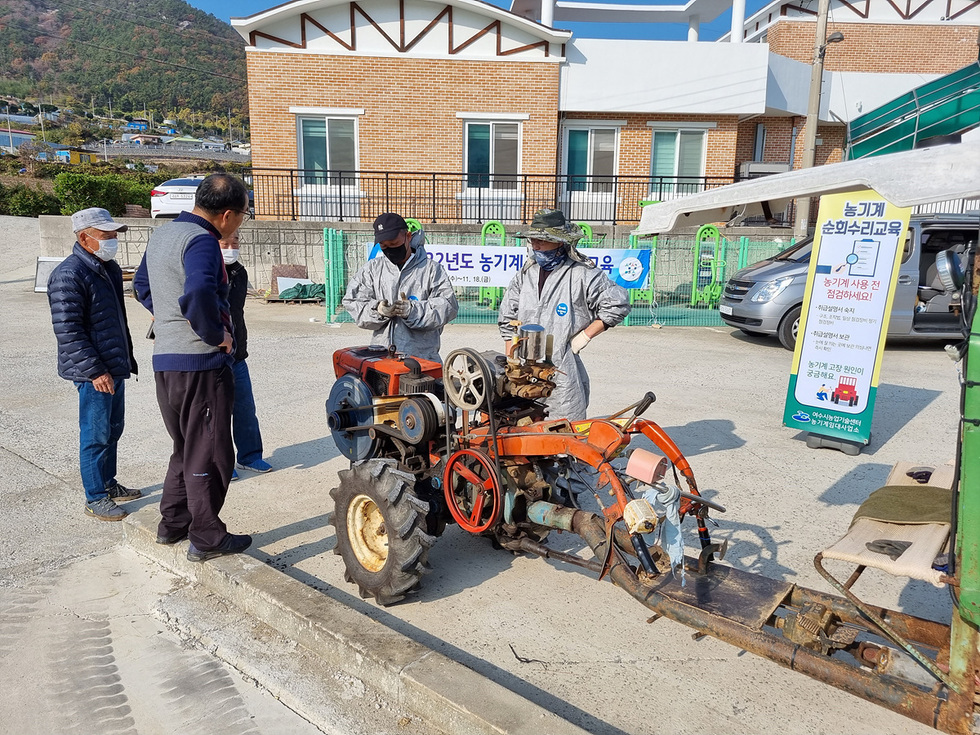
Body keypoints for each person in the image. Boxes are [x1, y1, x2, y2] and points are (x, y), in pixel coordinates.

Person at [132, 173, 252, 562]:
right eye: (243, 217)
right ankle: (207, 537)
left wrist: (168, 319)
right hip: (200, 364)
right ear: (228, 215)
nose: (239, 225)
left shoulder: (164, 234)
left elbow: (142, 286)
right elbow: (200, 290)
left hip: (166, 360)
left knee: (185, 446)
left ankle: (173, 524)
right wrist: (214, 332)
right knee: (211, 452)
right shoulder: (201, 240)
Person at [48, 207, 141, 521]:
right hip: (94, 372)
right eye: (107, 235)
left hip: (113, 366)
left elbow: (114, 320)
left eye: (114, 234)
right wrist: (95, 370)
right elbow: (68, 330)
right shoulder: (69, 274)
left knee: (114, 429)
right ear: (85, 238)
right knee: (95, 433)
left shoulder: (109, 268)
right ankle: (95, 497)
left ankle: (107, 482)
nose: (113, 240)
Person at [498, 208, 630, 421]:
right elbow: (507, 315)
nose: (536, 245)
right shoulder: (527, 273)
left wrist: (585, 336)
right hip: (523, 366)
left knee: (564, 427)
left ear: (560, 241)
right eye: (533, 240)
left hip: (560, 365)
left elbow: (617, 303)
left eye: (542, 240)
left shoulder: (582, 273)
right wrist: (511, 359)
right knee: (521, 424)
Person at [342, 213, 458, 363]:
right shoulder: (372, 270)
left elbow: (449, 305)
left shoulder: (431, 269)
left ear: (408, 236)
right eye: (384, 246)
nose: (390, 250)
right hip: (382, 360)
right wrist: (378, 310)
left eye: (394, 244)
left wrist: (413, 310)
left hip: (422, 360)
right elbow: (352, 301)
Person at [218, 229, 271, 479]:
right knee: (217, 411)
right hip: (214, 354)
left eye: (235, 241)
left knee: (245, 408)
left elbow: (236, 312)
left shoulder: (239, 272)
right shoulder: (203, 270)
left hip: (238, 353)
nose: (231, 247)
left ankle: (250, 456)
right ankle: (221, 463)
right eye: (224, 242)